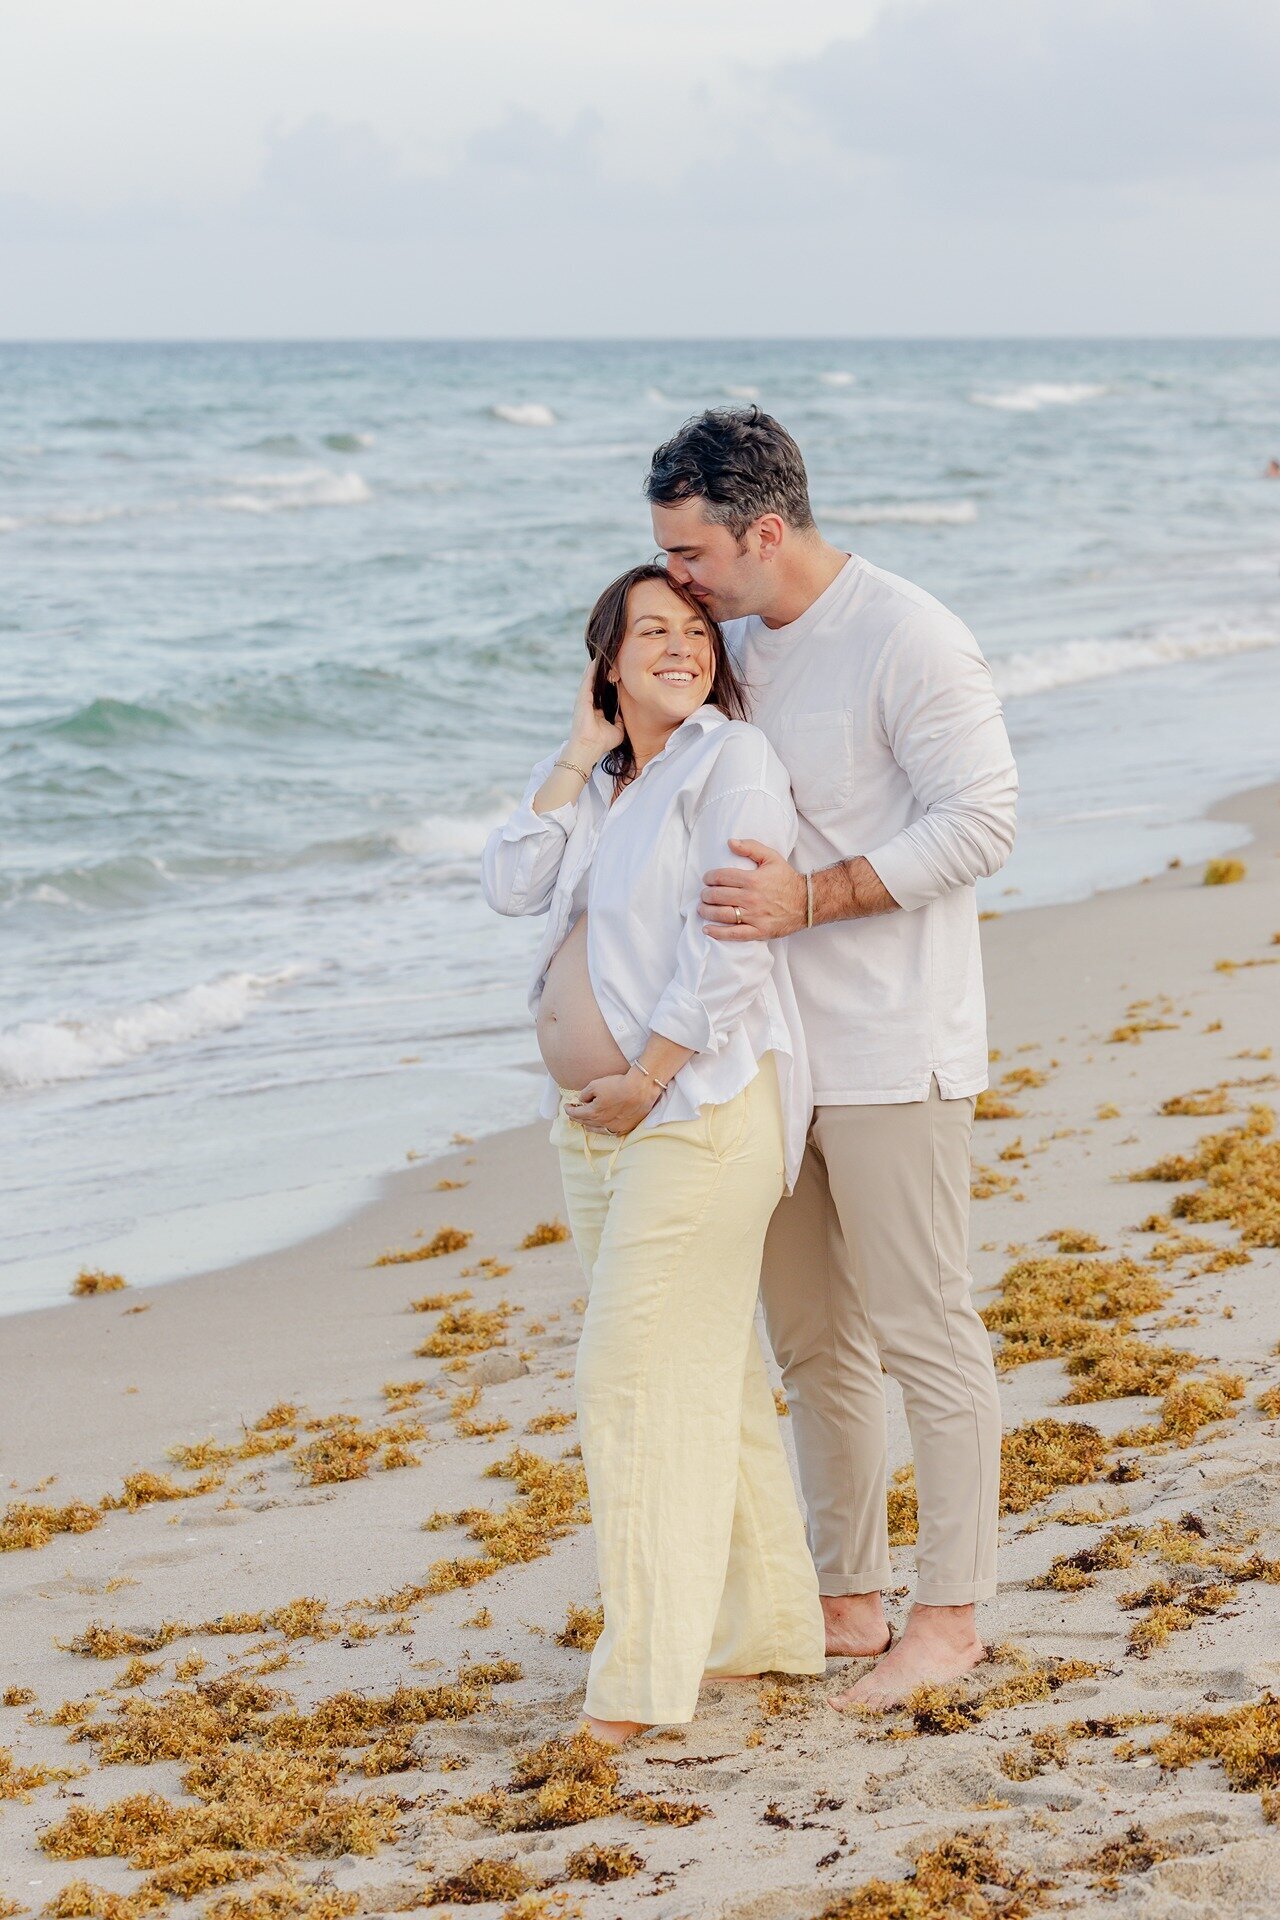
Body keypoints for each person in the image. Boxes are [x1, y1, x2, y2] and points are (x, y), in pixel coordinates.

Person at [645, 407, 1019, 1710]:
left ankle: (953, 1614)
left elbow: (985, 821)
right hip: (772, 1056)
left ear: (764, 530)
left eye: (692, 554)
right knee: (810, 1340)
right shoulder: (729, 644)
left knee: (925, 1329)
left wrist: (814, 898)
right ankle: (847, 1597)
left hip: (894, 1043)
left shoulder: (907, 634)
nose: (674, 581)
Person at [481, 563, 825, 1744]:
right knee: (708, 1375)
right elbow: (510, 886)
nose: (680, 646)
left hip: (699, 1105)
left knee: (623, 1381)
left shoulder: (731, 759)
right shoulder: (609, 781)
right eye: (650, 632)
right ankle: (767, 1631)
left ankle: (639, 1686)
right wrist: (577, 755)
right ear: (606, 659)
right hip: (599, 1123)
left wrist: (649, 1075)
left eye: (694, 629)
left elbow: (730, 944)